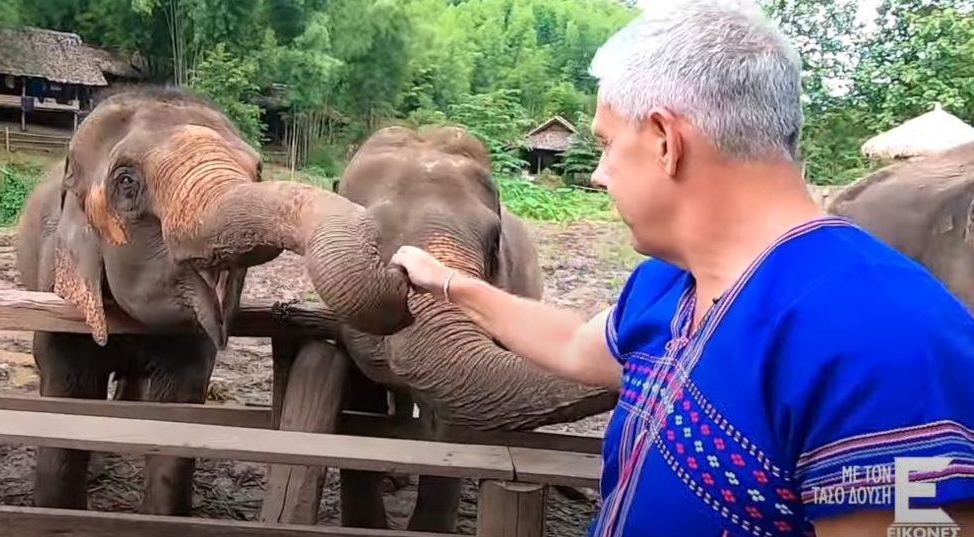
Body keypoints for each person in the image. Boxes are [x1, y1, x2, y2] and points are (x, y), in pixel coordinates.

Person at [389, 1, 974, 536]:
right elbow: (572, 343)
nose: (598, 173)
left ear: (667, 141)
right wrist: (448, 282)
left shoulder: (891, 340)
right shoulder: (670, 282)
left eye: (607, 143)